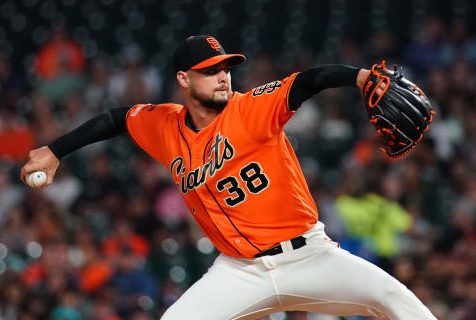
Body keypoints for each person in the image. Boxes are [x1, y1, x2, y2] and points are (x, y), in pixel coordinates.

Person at [21, 35, 436, 320]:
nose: (223, 76)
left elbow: (310, 80)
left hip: (309, 256)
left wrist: (362, 77)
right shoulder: (164, 125)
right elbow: (116, 119)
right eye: (209, 70)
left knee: (395, 299)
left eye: (226, 68)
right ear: (183, 79)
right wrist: (56, 151)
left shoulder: (252, 107)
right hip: (239, 271)